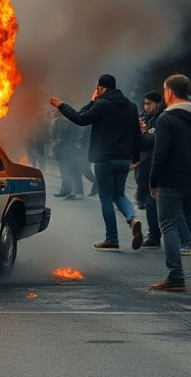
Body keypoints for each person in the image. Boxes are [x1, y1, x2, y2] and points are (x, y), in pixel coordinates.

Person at [49, 74, 144, 251]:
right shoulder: (131, 107)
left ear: (100, 88)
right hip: (124, 158)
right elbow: (137, 134)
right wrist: (136, 158)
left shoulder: (102, 105)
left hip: (104, 158)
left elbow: (81, 119)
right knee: (119, 194)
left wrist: (61, 105)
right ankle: (132, 219)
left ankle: (112, 238)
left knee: (106, 197)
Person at [147, 74, 191, 291]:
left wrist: (153, 180)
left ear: (168, 93)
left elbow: (161, 152)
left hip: (170, 181)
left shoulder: (166, 119)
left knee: (168, 226)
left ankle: (176, 277)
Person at [136, 91, 191, 253]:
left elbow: (154, 143)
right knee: (151, 204)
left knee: (172, 206)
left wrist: (142, 134)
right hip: (150, 168)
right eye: (145, 103)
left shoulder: (162, 120)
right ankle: (154, 236)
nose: (146, 107)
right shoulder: (146, 118)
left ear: (158, 104)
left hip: (164, 169)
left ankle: (187, 241)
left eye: (149, 104)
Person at [50, 113, 84, 199]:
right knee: (66, 171)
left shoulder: (72, 124)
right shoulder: (65, 123)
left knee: (73, 171)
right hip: (65, 151)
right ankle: (66, 190)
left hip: (69, 151)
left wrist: (57, 144)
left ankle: (76, 191)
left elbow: (70, 139)